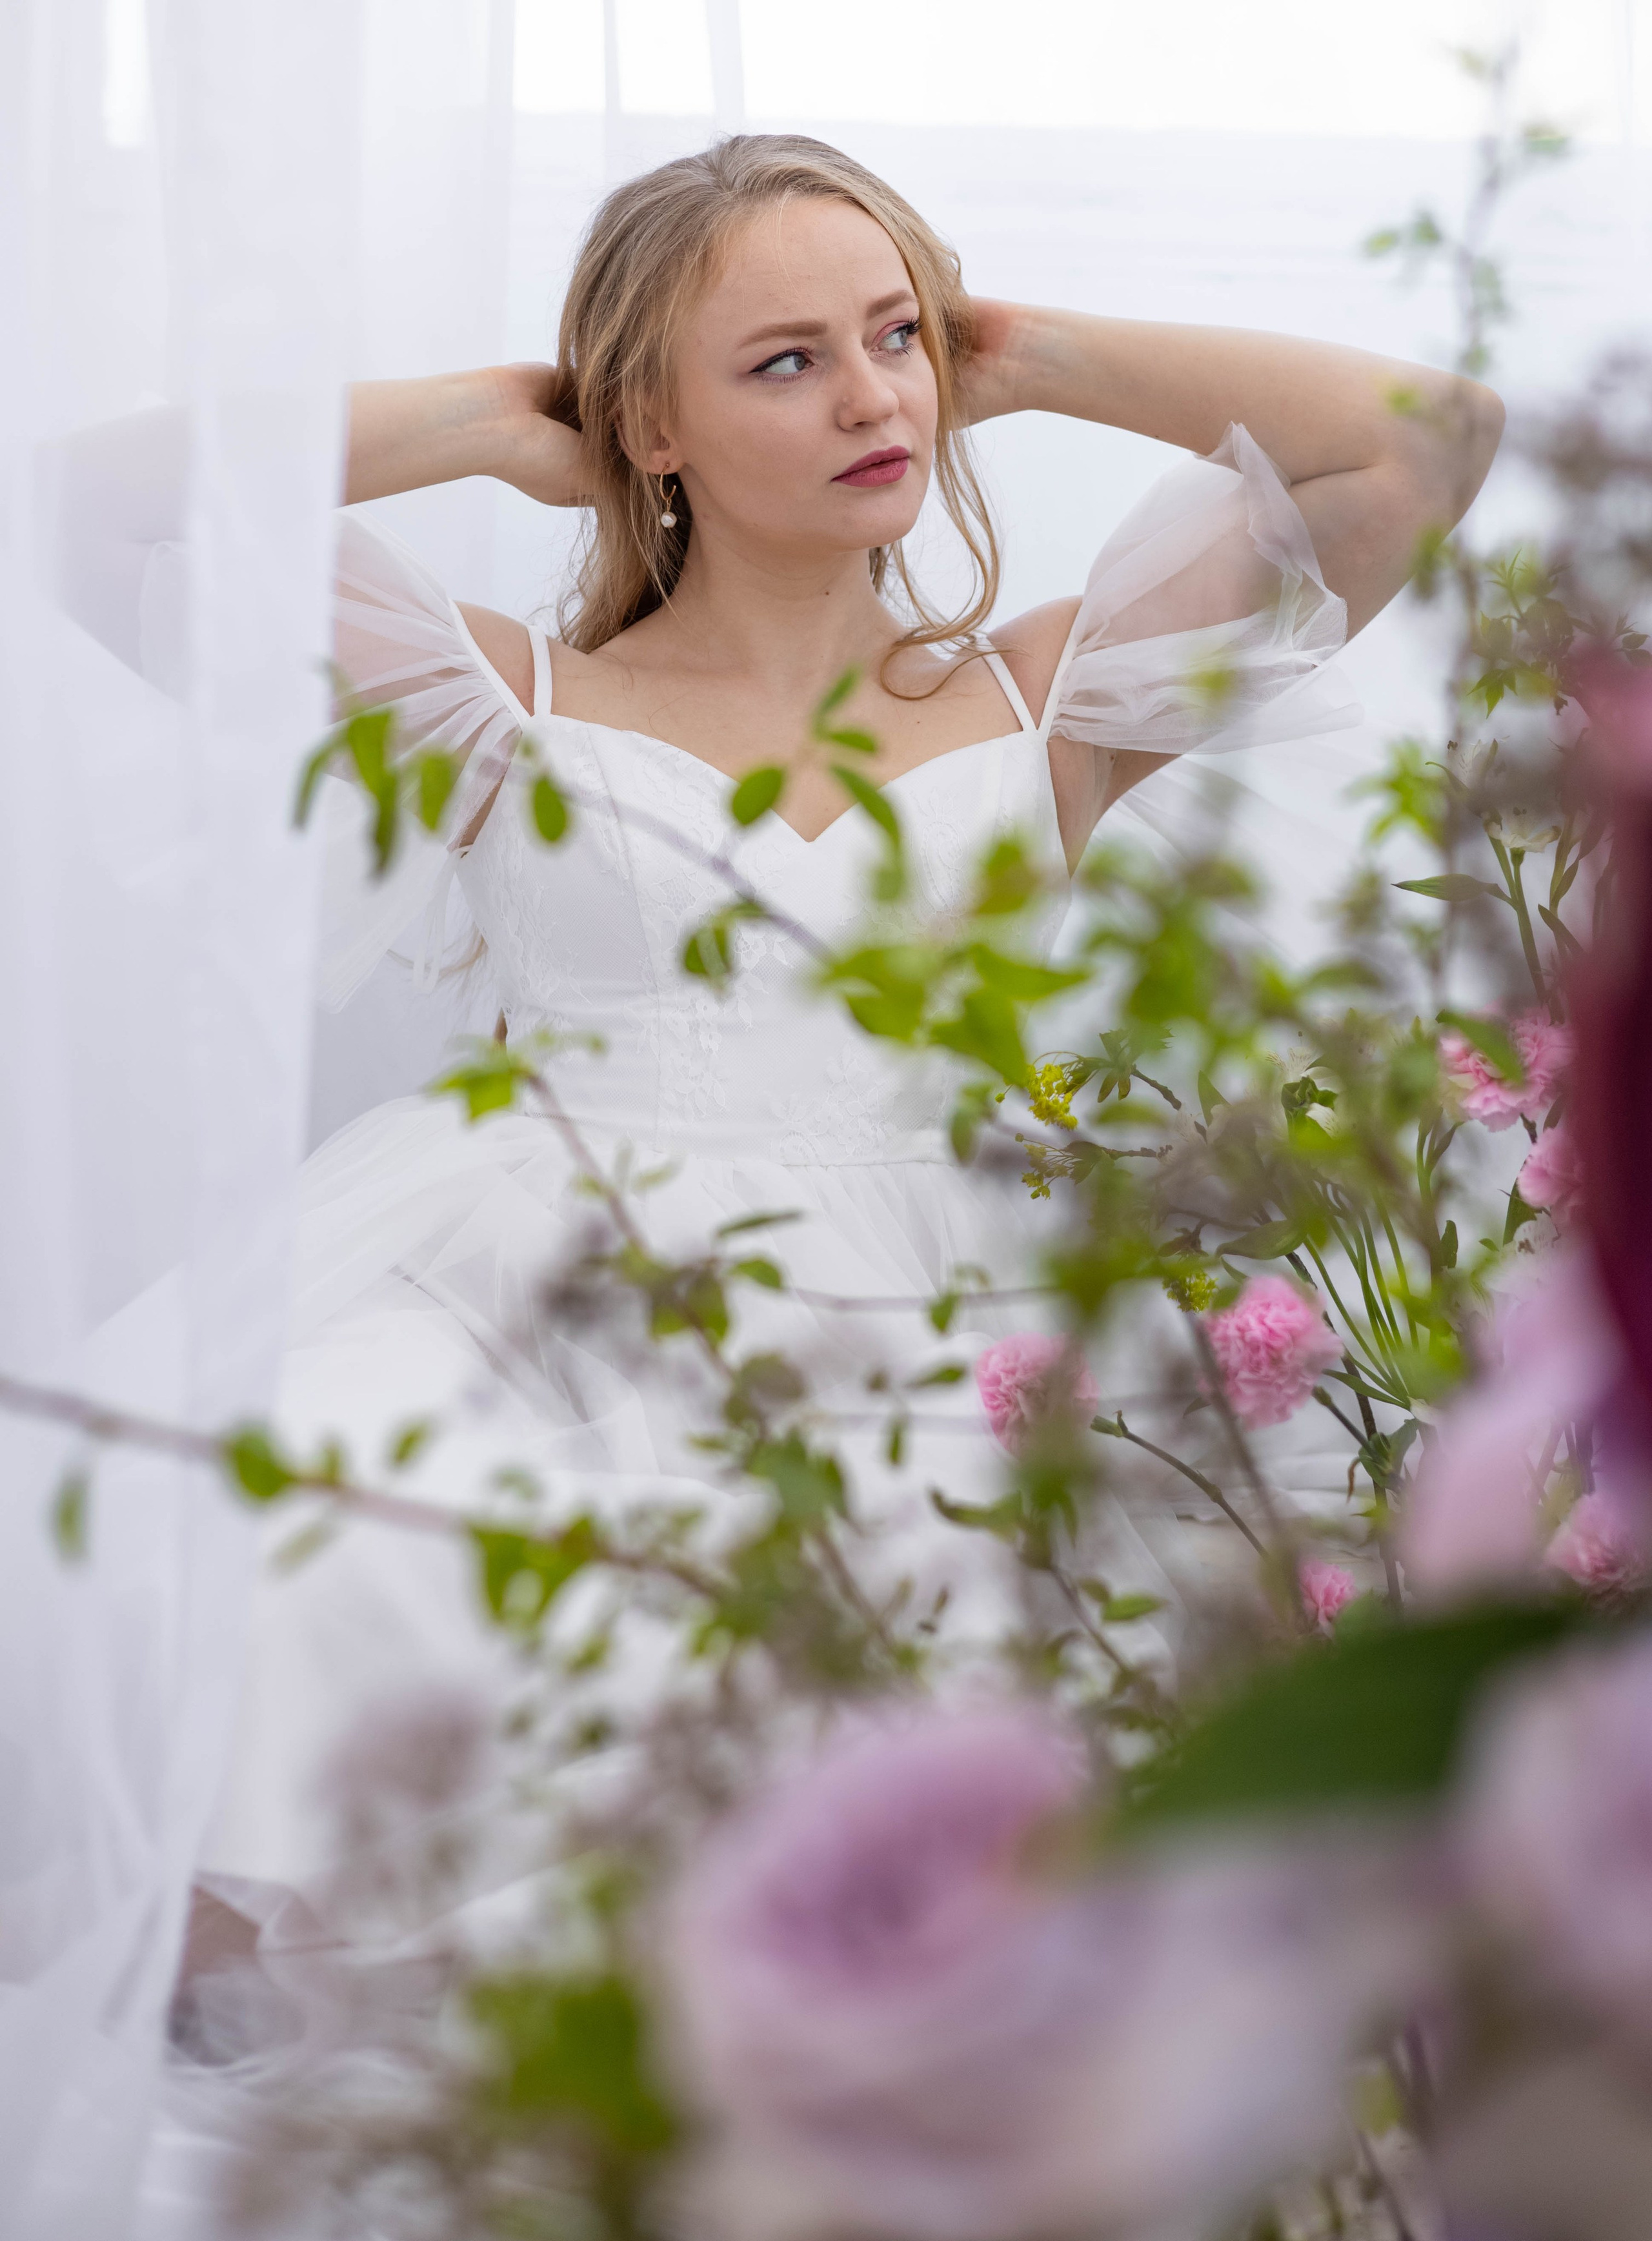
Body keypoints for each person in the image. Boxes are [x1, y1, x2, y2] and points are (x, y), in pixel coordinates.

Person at [62, 134, 1501, 1942]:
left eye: (896, 336)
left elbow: (1428, 436)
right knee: (307, 1526)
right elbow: (81, 516)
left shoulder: (1055, 694)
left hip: (934, 1293)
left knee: (917, 1700)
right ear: (653, 428)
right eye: (785, 361)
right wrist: (499, 420)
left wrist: (1030, 356)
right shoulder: (491, 700)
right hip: (527, 1288)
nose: (872, 396)